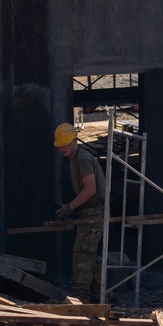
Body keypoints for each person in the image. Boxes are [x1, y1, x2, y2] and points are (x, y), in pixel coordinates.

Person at [53, 123, 107, 302]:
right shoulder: (75, 158)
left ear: (75, 140)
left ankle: (81, 299)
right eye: (60, 145)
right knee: (90, 256)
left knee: (82, 255)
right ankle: (103, 296)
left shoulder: (82, 159)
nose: (63, 148)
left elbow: (90, 189)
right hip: (89, 212)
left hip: (94, 212)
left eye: (66, 144)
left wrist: (70, 207)